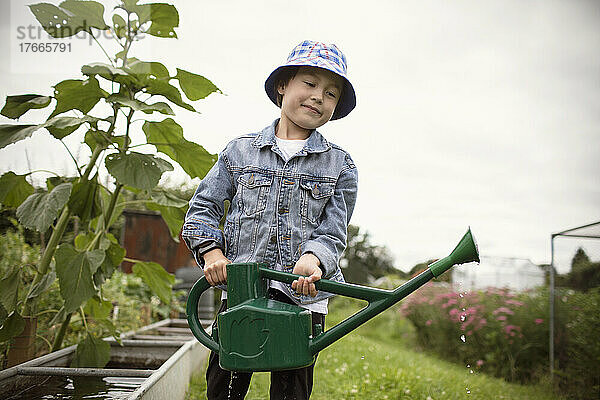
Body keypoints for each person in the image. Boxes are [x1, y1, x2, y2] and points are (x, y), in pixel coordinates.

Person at [182, 40, 358, 400]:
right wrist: (212, 253)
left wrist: (314, 258)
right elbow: (203, 207)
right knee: (224, 384)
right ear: (282, 86)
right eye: (309, 84)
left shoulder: (340, 165)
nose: (318, 97)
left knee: (291, 388)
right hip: (244, 290)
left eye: (330, 92)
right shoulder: (239, 151)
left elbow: (333, 230)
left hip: (303, 299)